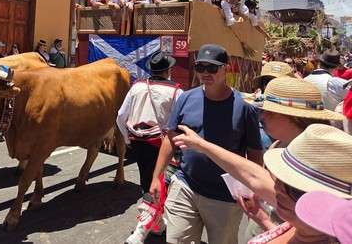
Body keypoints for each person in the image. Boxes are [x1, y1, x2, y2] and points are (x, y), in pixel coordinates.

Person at [150, 44, 263, 244]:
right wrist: (156, 177)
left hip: (225, 198)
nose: (205, 73)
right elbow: (170, 139)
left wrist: (251, 191)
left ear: (226, 69)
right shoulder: (185, 98)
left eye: (212, 68)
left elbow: (254, 154)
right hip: (186, 185)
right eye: (200, 67)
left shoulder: (244, 108)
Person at [172, 123, 351, 244]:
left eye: (294, 187)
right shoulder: (304, 219)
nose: (278, 187)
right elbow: (254, 175)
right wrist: (264, 220)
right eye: (279, 177)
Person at [241, 77, 342, 240]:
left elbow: (309, 234)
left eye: (271, 111)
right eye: (262, 109)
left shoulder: (317, 162)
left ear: (295, 117)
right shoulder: (277, 145)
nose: (262, 115)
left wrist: (265, 223)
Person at [119, 50, 184, 244]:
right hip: (161, 144)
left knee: (147, 182)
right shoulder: (176, 91)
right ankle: (140, 232)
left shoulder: (137, 87)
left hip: (137, 142)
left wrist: (127, 139)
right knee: (160, 185)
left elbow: (121, 116)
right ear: (168, 70)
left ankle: (157, 225)